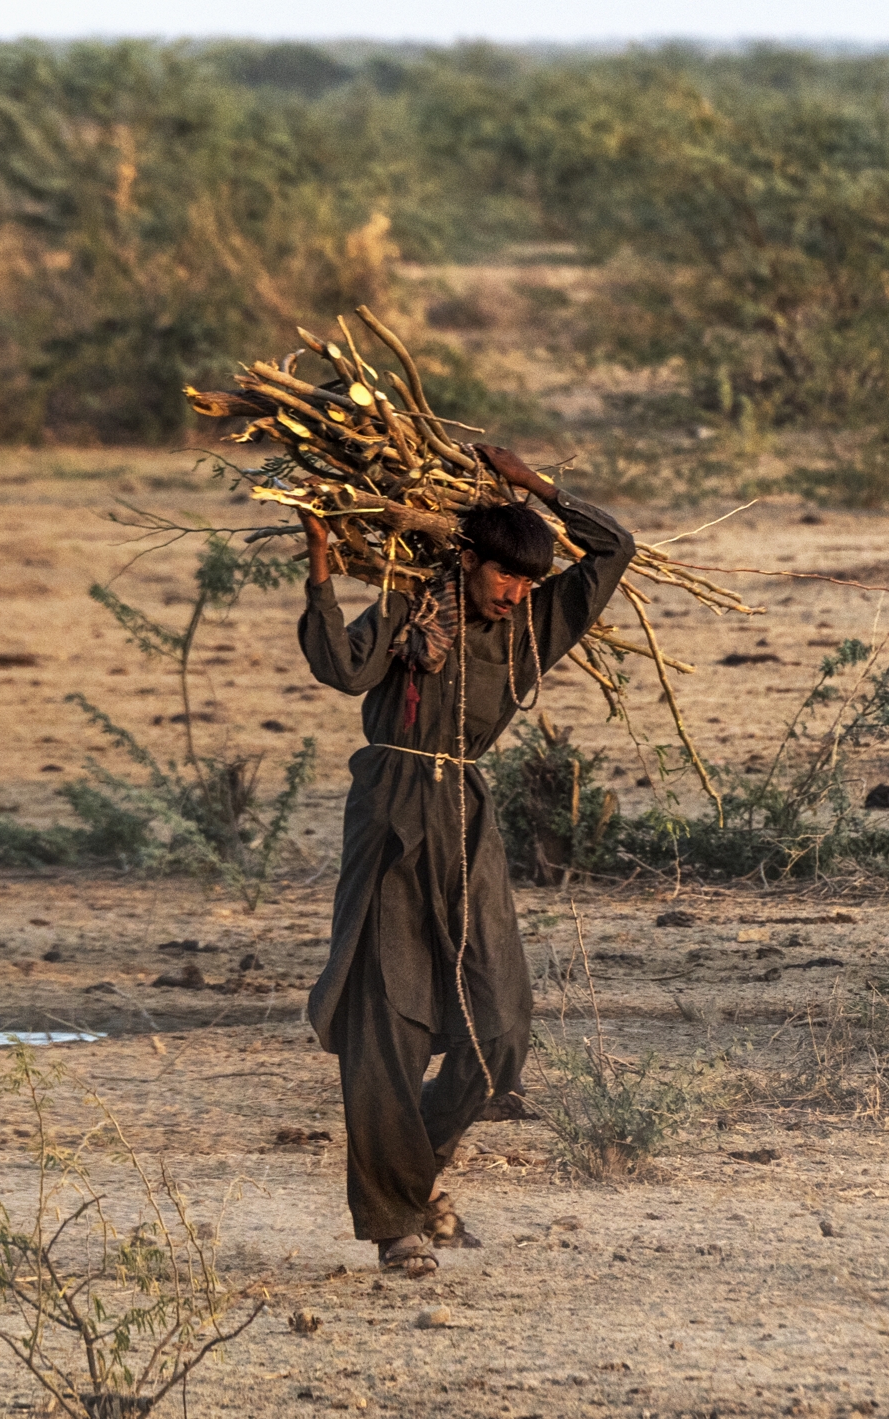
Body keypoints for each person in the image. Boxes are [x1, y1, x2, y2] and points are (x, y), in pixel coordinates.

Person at [295, 444, 634, 1278]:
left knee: (501, 1027)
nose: (516, 592)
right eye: (504, 577)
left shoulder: (533, 626)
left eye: (528, 580)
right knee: (387, 1021)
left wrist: (536, 487)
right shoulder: (408, 609)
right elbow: (342, 668)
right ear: (469, 560)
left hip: (467, 816)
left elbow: (615, 548)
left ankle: (412, 1179)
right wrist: (319, 566)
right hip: (389, 806)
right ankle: (395, 1225)